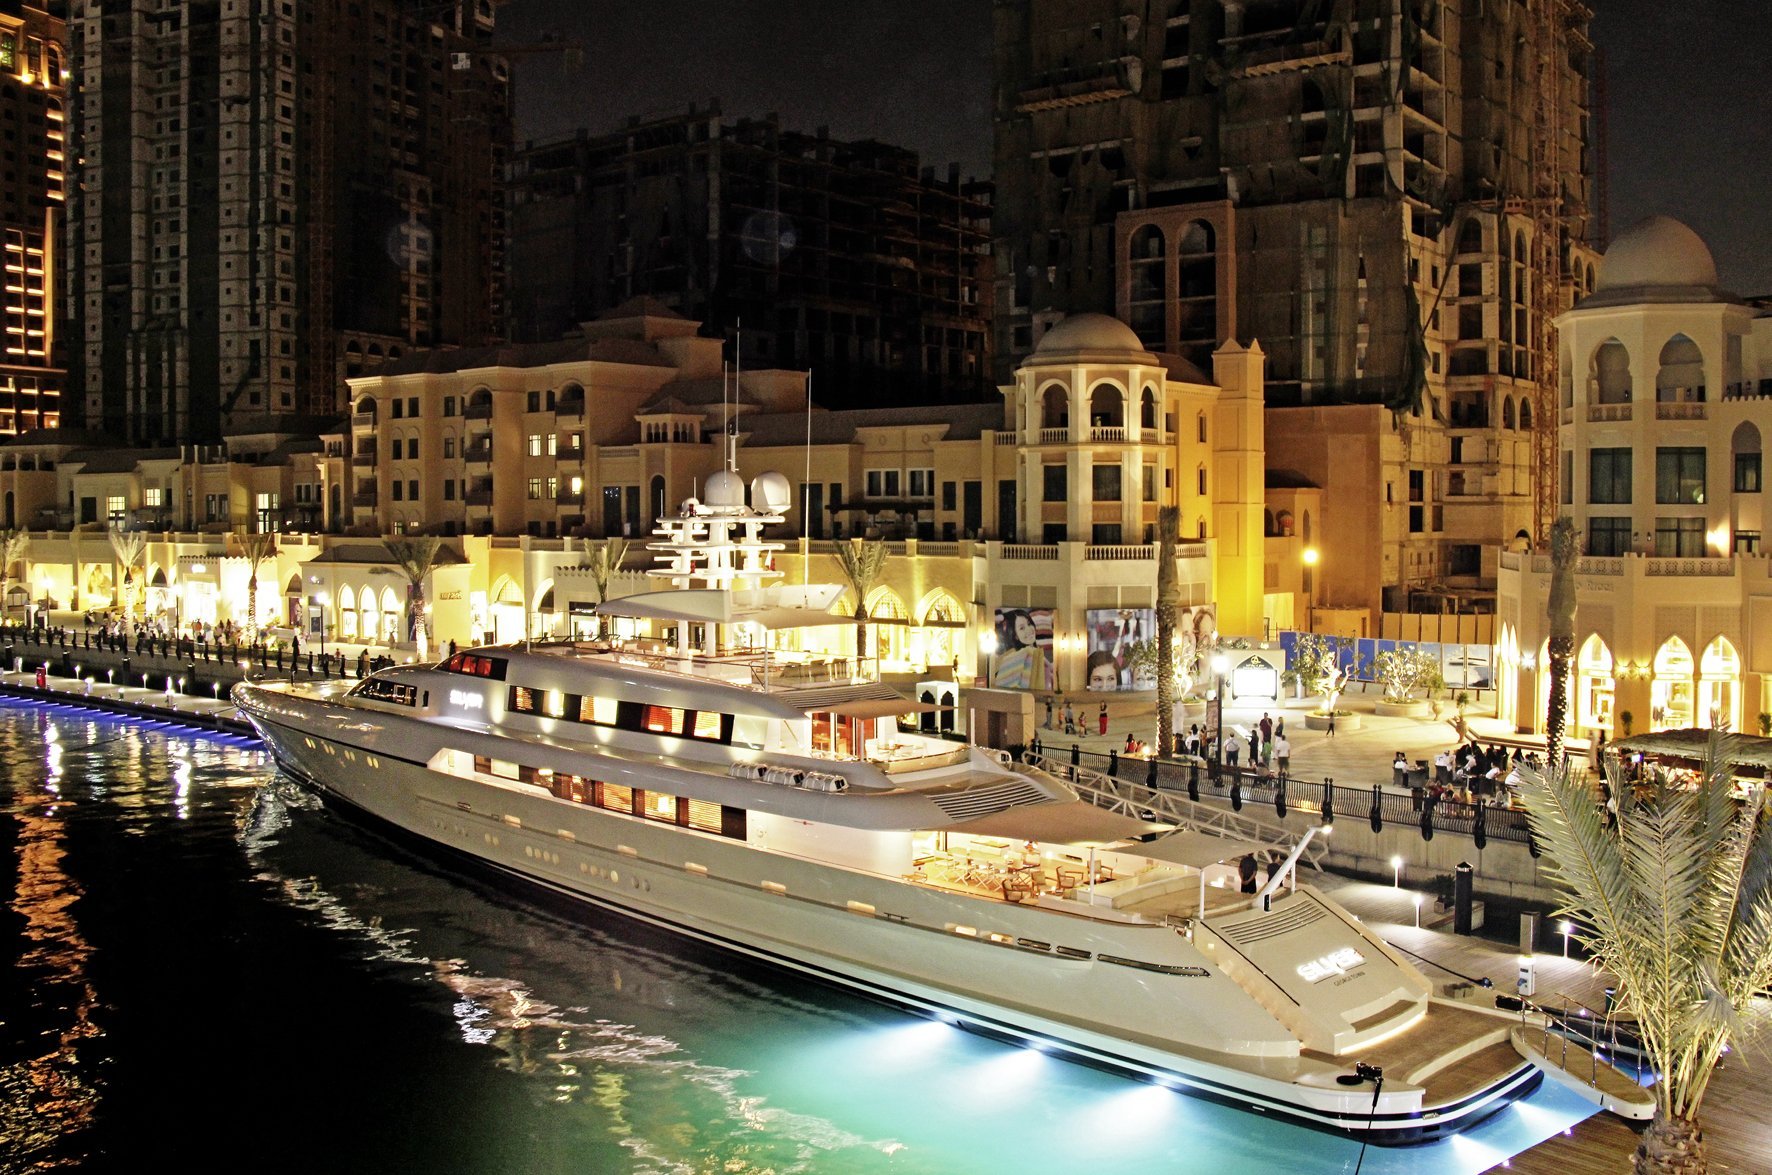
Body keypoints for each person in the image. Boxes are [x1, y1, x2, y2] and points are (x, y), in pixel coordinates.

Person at [992, 609, 1050, 691]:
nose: (1029, 630)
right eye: (1022, 628)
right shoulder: (1015, 659)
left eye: (1029, 624)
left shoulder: (1039, 656)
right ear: (1015, 635)